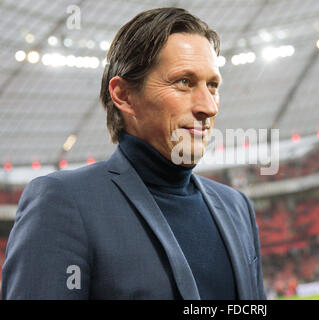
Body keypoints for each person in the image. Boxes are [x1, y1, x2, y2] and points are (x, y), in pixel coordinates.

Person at [2, 7, 266, 300]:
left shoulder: (237, 207)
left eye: (213, 86)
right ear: (124, 95)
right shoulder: (64, 203)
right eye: (184, 82)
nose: (209, 107)